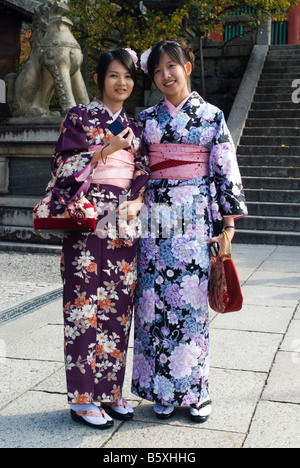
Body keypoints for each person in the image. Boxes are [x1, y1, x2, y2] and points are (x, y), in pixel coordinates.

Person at [131, 39, 247, 423]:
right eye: (158, 69)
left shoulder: (211, 116)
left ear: (188, 67)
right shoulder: (147, 119)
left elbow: (224, 168)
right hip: (155, 220)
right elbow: (136, 168)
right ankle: (162, 390)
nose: (166, 75)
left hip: (195, 218)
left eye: (172, 66)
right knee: (154, 304)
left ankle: (196, 392)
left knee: (191, 304)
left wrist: (227, 226)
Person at [48, 48, 148, 429]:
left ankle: (111, 391)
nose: (121, 83)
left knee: (118, 308)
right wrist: (105, 150)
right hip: (86, 220)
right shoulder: (78, 117)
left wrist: (138, 200)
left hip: (123, 221)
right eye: (113, 76)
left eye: (127, 77)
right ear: (99, 79)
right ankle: (83, 397)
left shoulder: (135, 126)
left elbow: (143, 171)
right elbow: (62, 166)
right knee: (82, 306)